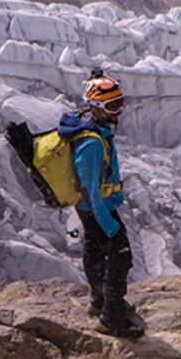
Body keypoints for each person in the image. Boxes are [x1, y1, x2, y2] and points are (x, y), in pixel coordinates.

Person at [58, 69, 144, 338]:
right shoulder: (92, 143)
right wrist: (110, 226)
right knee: (120, 256)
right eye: (112, 105)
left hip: (90, 209)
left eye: (120, 103)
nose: (118, 110)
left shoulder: (87, 123)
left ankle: (99, 300)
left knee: (94, 250)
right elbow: (90, 189)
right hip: (98, 209)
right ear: (96, 107)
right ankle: (112, 317)